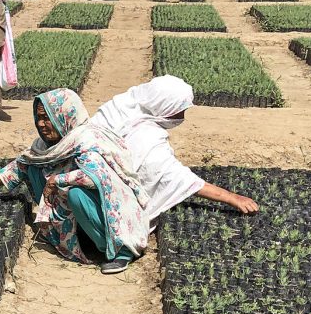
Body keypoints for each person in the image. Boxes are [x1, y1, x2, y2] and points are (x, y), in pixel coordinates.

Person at [0, 88, 148, 274]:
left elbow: (94, 177)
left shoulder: (86, 140)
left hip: (106, 215)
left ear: (63, 117)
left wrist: (58, 180)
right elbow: (17, 167)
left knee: (76, 194)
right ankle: (62, 231)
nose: (41, 124)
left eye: (47, 118)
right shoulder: (46, 146)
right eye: (39, 118)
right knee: (32, 165)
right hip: (78, 217)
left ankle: (117, 251)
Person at [89, 75, 259, 229]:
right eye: (180, 109)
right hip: (109, 201)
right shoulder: (147, 138)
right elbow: (180, 179)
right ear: (166, 106)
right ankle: (122, 245)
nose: (183, 115)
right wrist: (231, 198)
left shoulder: (120, 106)